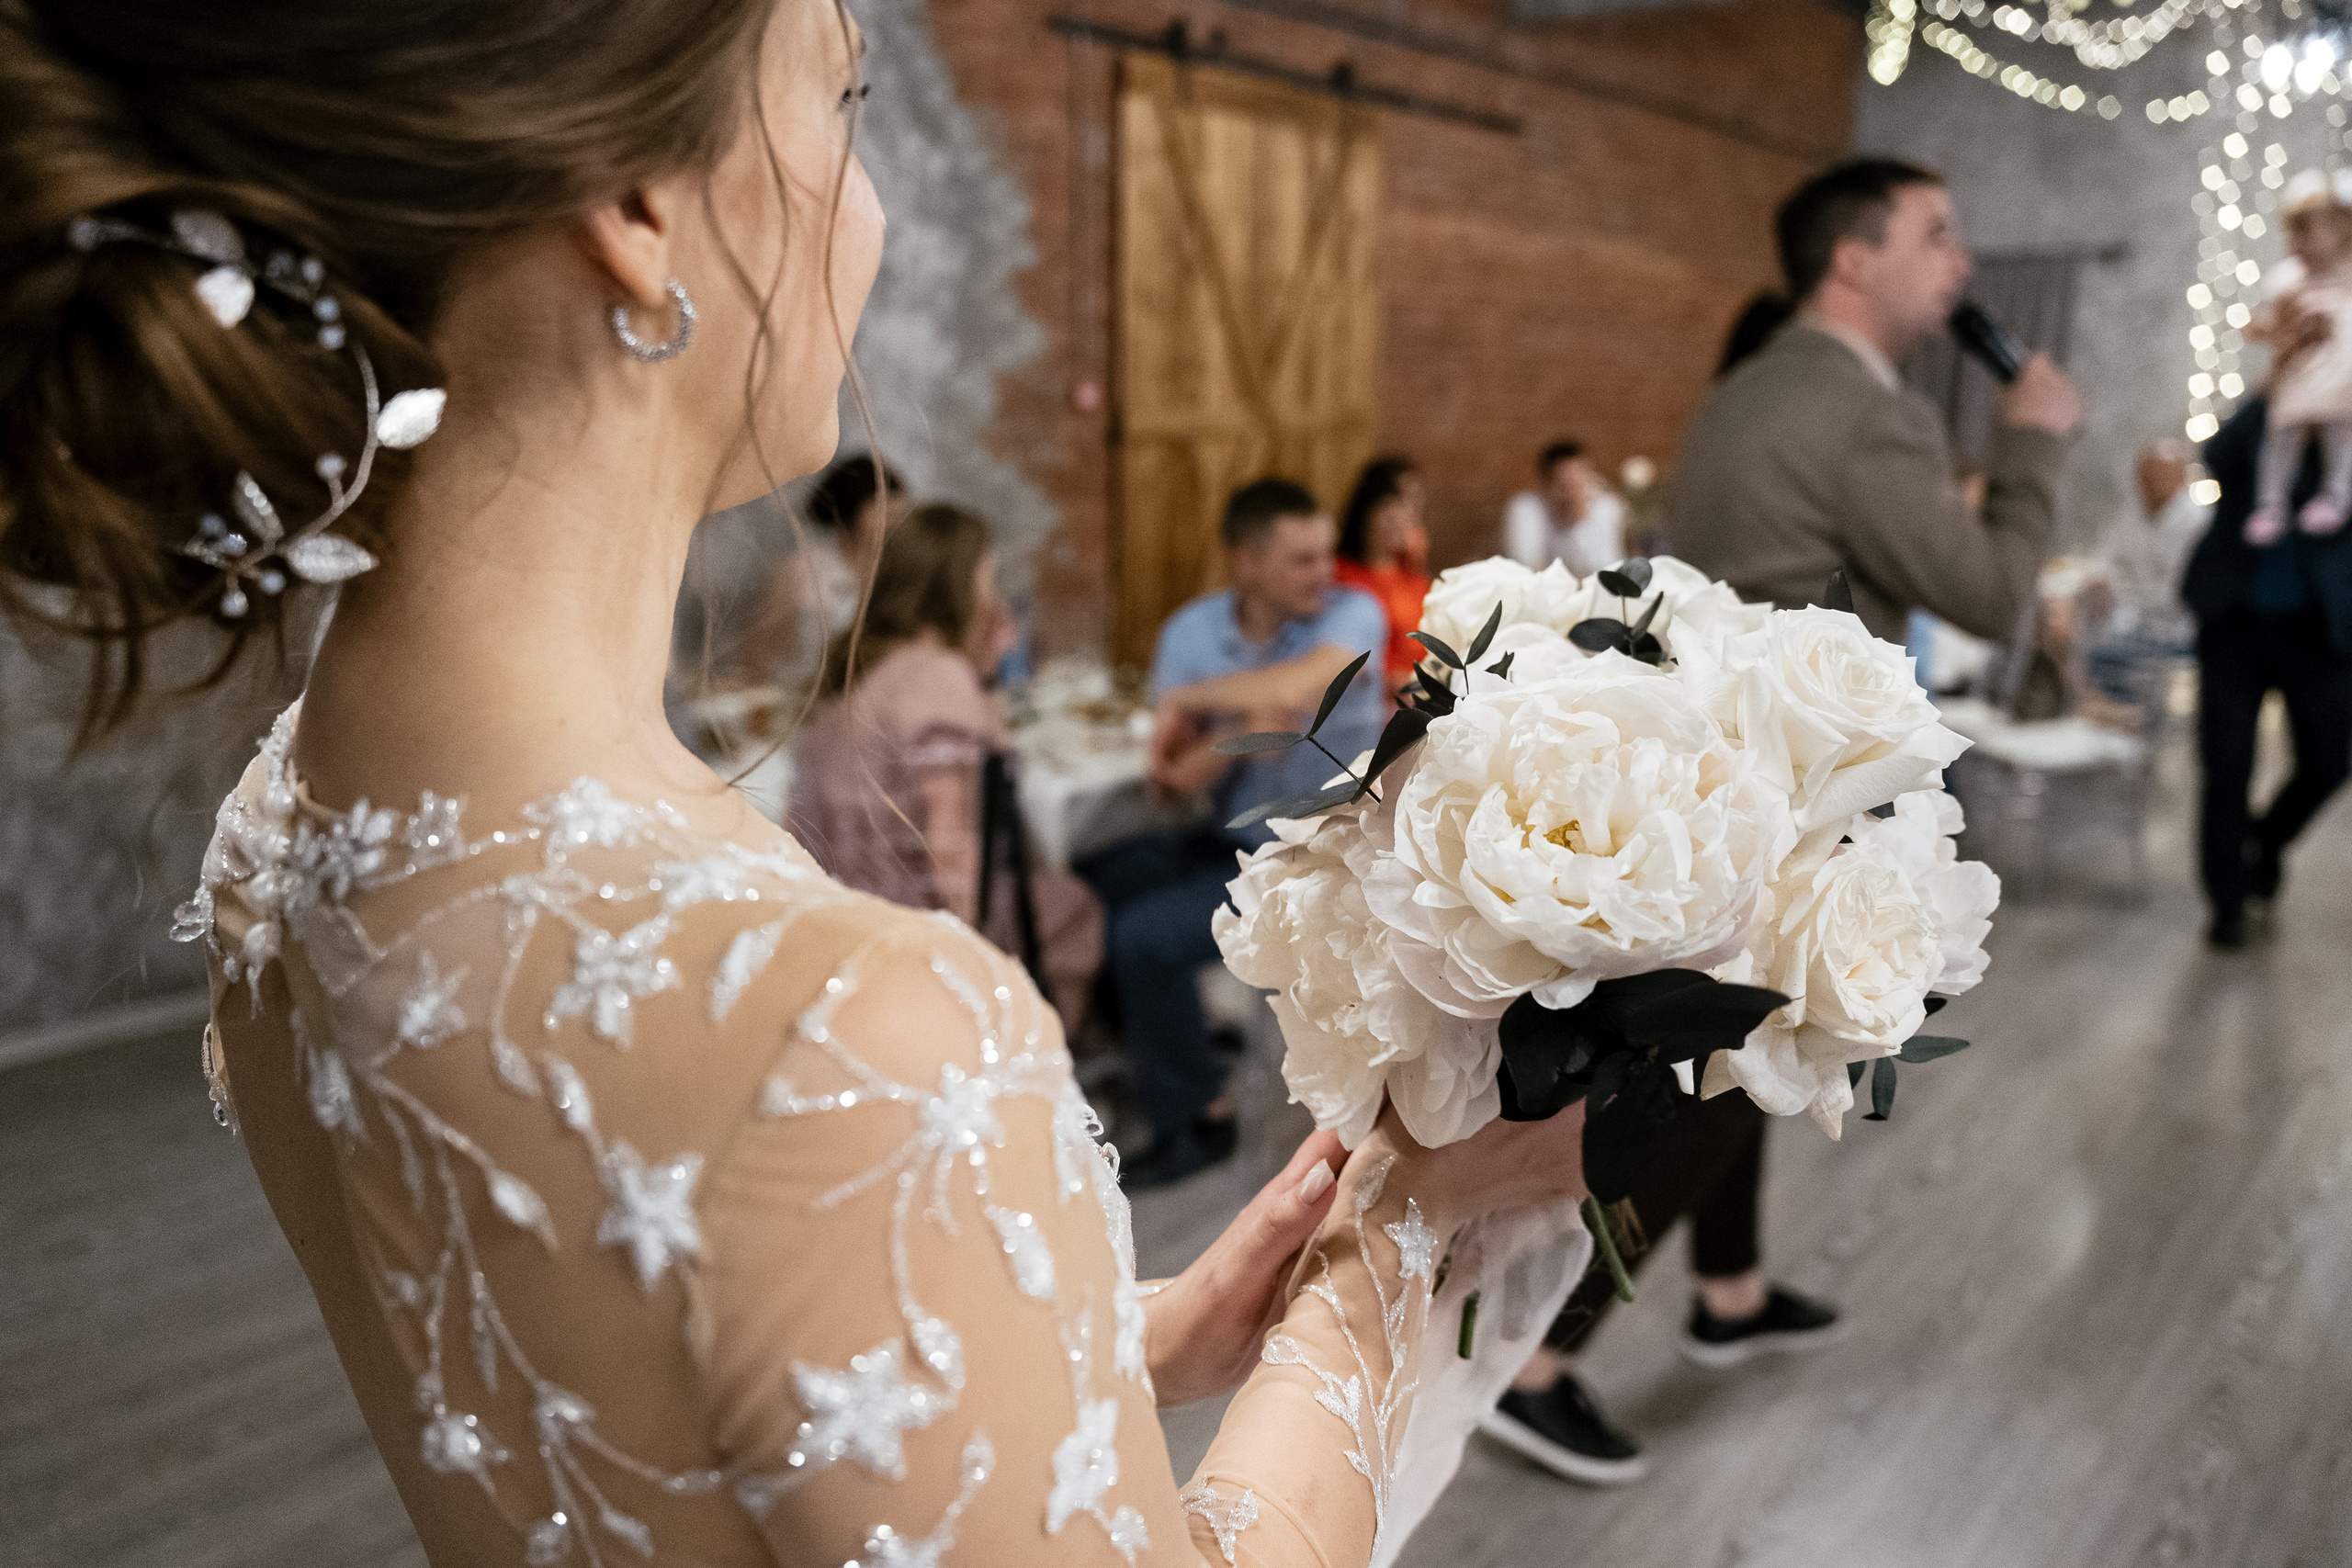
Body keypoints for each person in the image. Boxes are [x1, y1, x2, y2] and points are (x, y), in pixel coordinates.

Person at [0, 4, 1597, 1564]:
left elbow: (644, 1387)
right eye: (843, 99)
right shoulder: (859, 1036)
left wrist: (1117, 1337)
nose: (877, 211)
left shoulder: (285, 827)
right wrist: (1400, 1230)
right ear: (636, 206)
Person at [1078, 478, 1387, 1191]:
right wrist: (1220, 745)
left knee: (1144, 937)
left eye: (1326, 554)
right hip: (1223, 835)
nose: (1326, 573)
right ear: (1246, 562)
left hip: (1317, 857)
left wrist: (1192, 702)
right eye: (1302, 560)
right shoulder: (1192, 631)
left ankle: (1195, 1117)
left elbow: (1299, 689)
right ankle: (1157, 1051)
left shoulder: (1355, 614)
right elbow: (1175, 778)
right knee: (1089, 884)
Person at [1667, 157, 2085, 644]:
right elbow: (1997, 600)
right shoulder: (1872, 415)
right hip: (1816, 717)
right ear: (1854, 262)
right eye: (1937, 236)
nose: (1962, 264)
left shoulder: (1736, 388)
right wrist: (2034, 435)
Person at [787, 502, 1099, 1032]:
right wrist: (963, 955)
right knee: (1078, 904)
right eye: (987, 580)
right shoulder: (937, 678)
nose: (994, 598)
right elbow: (951, 850)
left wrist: (983, 670)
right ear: (958, 588)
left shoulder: (856, 671)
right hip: (910, 916)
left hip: (839, 905)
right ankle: (1038, 1055)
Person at [2184, 395, 2352, 949]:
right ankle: (2227, 902)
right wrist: (2280, 387)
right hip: (2235, 619)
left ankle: (2265, 840)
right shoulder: (2267, 411)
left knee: (2328, 763)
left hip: (2320, 627)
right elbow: (2215, 458)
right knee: (2226, 767)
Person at [2245, 169, 2352, 545]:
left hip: (2340, 382)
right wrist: (2280, 335)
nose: (2296, 242)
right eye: (2292, 232)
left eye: (2306, 231)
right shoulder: (2288, 281)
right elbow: (2264, 328)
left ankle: (2336, 496)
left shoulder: (2347, 277)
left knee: (2342, 435)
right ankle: (2270, 505)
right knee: (2280, 439)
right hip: (2299, 378)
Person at [734, 451, 901, 688]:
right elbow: (756, 651)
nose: (893, 525)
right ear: (859, 511)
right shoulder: (805, 570)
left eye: (897, 516)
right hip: (797, 697)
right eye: (888, 514)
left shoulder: (894, 574)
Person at [1332, 456, 1432, 694]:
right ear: (1374, 507)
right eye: (1402, 503)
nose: (1411, 517)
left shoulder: (1414, 580)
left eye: (1417, 506)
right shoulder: (1337, 576)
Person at [2097, 443, 2207, 630]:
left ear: (2179, 477)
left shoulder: (2198, 521)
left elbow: (2186, 581)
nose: (2154, 484)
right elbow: (2111, 561)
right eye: (2146, 476)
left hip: (2179, 623)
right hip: (2130, 617)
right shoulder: (2127, 516)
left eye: (2163, 476)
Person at [1502, 439, 1625, 577]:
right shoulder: (1526, 507)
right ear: (1546, 480)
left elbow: (1608, 567)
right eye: (1562, 483)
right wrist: (1559, 522)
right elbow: (1525, 565)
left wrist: (1579, 520)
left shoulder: (1605, 507)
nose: (1570, 490)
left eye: (1576, 481)